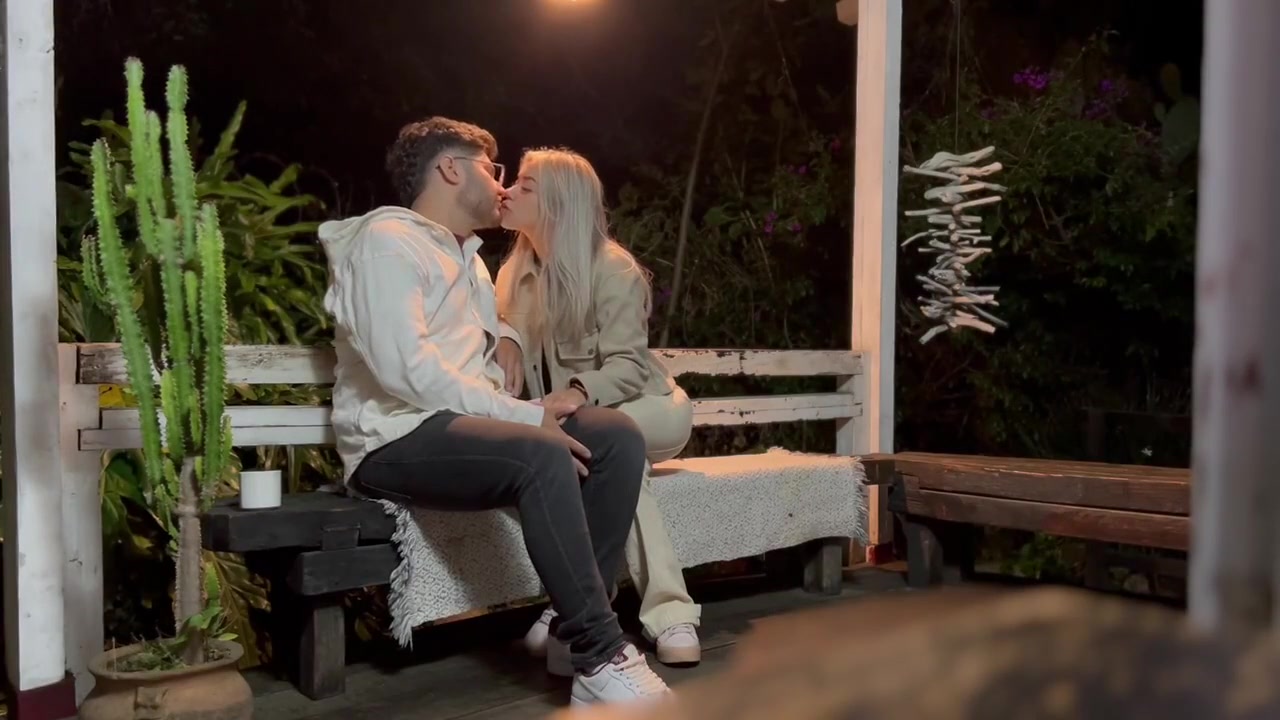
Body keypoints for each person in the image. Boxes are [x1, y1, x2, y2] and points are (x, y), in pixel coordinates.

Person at [317, 118, 670, 708]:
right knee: (539, 452)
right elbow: (406, 370)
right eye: (491, 168)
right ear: (450, 169)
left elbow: (480, 341)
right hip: (394, 438)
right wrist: (523, 417)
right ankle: (599, 654)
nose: (502, 184)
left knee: (616, 436)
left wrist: (505, 333)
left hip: (460, 425)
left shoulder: (472, 261)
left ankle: (567, 636)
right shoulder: (387, 242)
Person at [493, 148, 702, 670]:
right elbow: (497, 325)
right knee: (618, 459)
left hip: (653, 407)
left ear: (560, 202)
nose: (507, 192)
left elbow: (628, 367)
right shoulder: (514, 274)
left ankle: (665, 612)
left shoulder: (613, 269)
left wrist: (577, 392)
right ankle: (586, 603)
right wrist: (507, 335)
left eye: (524, 186)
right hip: (589, 422)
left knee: (616, 440)